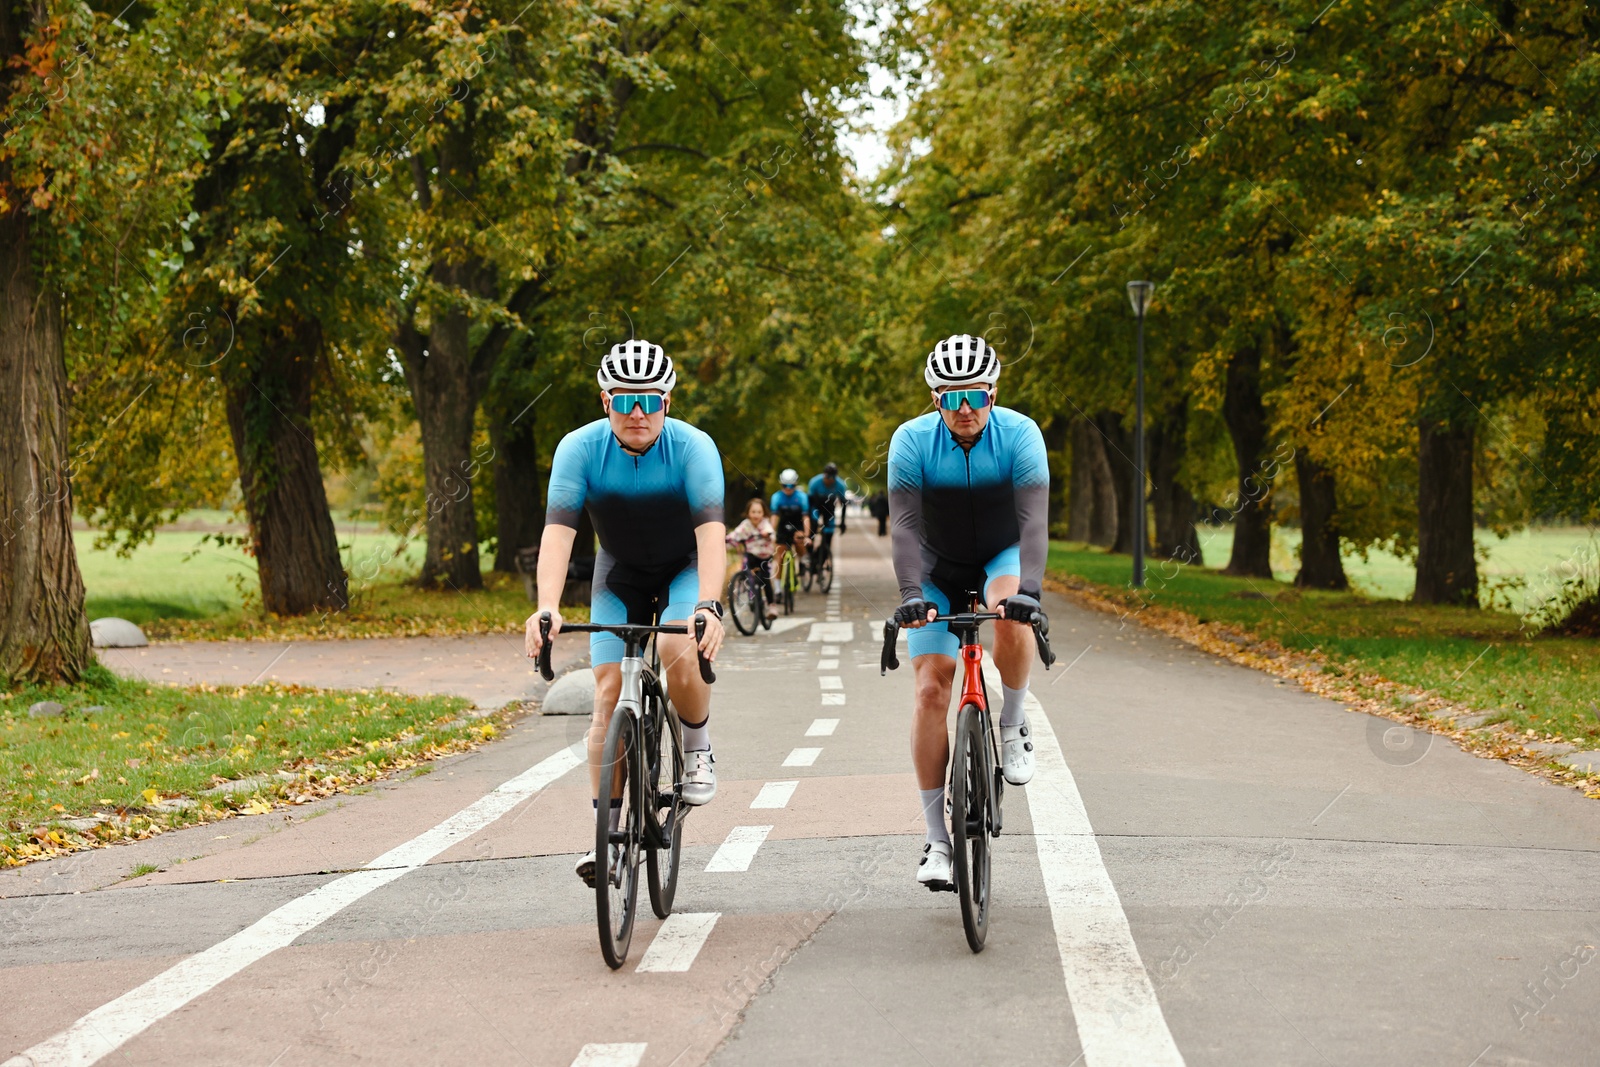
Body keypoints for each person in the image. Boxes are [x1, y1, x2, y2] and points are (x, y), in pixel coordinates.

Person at [523, 339, 727, 888]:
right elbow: (558, 534)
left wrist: (708, 603)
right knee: (607, 695)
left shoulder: (694, 447)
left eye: (651, 402)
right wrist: (546, 606)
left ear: (668, 401)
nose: (638, 413)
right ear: (604, 399)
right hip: (619, 573)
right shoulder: (579, 449)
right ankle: (608, 842)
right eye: (624, 401)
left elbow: (711, 537)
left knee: (673, 645)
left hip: (683, 568)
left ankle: (696, 746)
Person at [887, 333, 1050, 891]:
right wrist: (912, 595)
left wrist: (1029, 588)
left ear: (993, 393)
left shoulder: (1021, 433)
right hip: (936, 564)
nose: (964, 407)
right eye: (952, 396)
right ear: (935, 398)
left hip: (1001, 555)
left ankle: (1012, 721)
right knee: (932, 687)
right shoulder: (910, 441)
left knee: (1010, 613)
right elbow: (905, 526)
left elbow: (1032, 521)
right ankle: (936, 841)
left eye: (975, 395)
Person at [726, 497, 779, 620]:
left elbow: (770, 531)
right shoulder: (746, 524)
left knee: (765, 580)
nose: (756, 515)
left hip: (764, 556)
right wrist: (727, 538)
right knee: (749, 573)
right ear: (748, 513)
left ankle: (772, 605)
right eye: (753, 512)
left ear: (763, 513)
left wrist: (766, 534)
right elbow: (737, 533)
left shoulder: (765, 523)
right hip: (751, 554)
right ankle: (751, 590)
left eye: (759, 512)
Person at [769, 469, 810, 589]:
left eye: (791, 485)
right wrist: (771, 531)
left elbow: (805, 517)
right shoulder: (776, 497)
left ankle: (803, 560)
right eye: (785, 485)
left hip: (798, 525)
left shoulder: (802, 497)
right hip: (783, 526)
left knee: (799, 542)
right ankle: (777, 589)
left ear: (795, 484)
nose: (788, 488)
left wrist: (806, 534)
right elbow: (775, 516)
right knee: (780, 557)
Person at [807, 463, 849, 567]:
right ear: (824, 475)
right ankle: (809, 555)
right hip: (816, 507)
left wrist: (843, 522)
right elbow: (809, 503)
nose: (829, 481)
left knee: (828, 535)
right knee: (812, 528)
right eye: (827, 477)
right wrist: (810, 521)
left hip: (829, 510)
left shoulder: (840, 485)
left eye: (832, 478)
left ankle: (821, 559)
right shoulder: (815, 482)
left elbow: (844, 504)